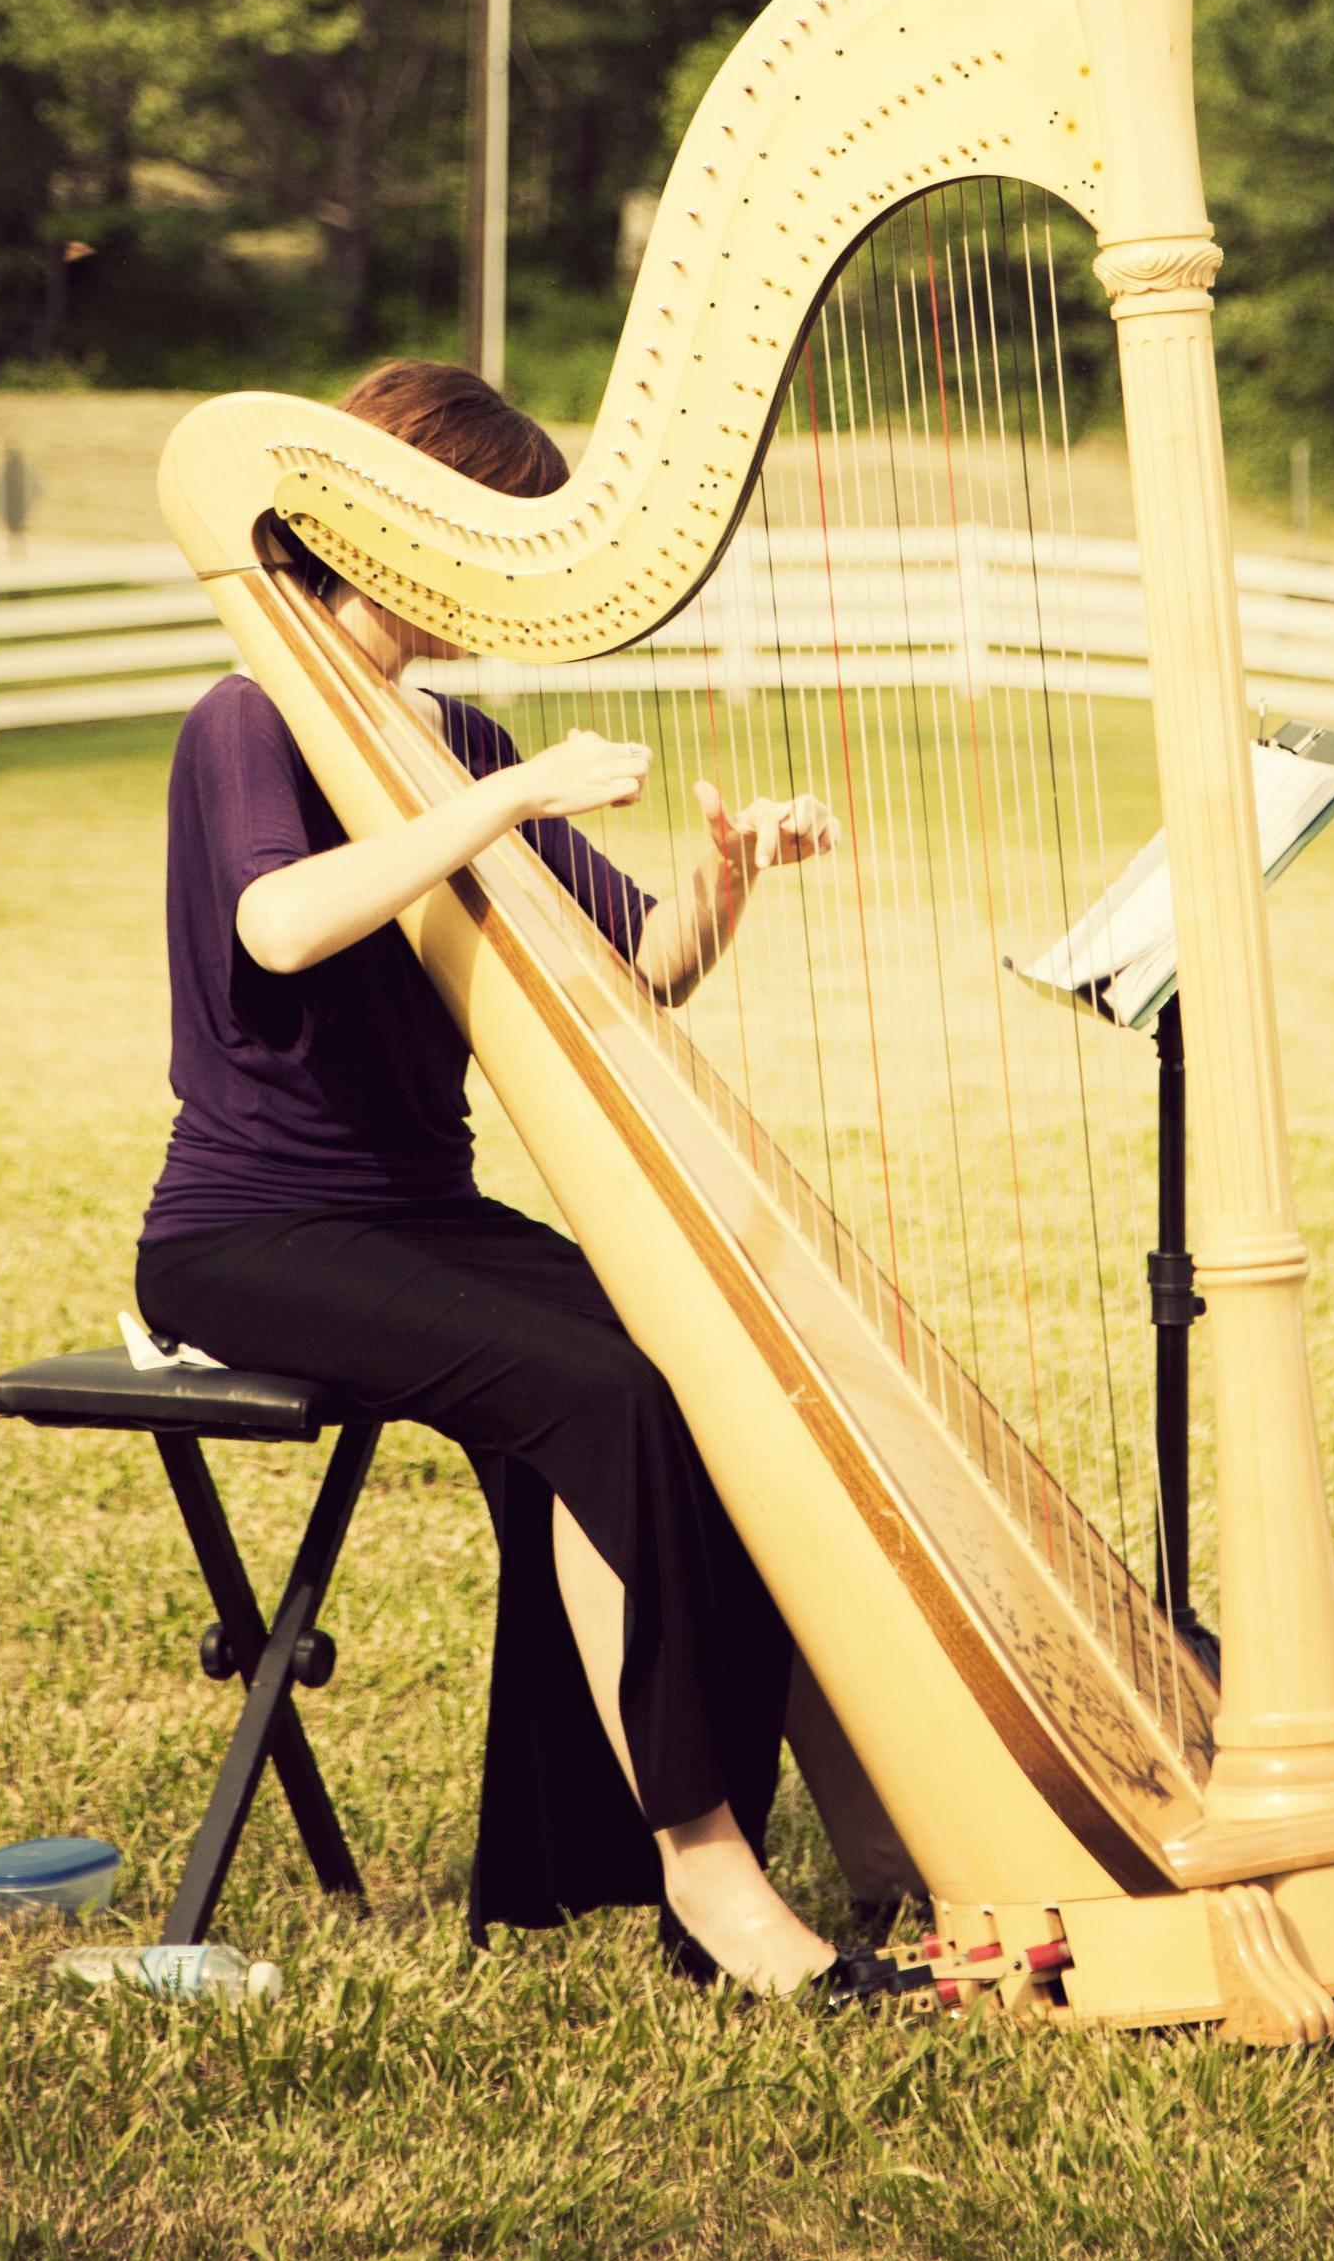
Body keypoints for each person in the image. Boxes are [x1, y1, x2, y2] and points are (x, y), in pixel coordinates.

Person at [136, 356, 848, 1994]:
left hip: (424, 1219)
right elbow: (283, 921)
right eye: (483, 531)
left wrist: (728, 878)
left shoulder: (458, 734)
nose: (495, 574)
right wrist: (508, 797)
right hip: (251, 1229)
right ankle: (709, 1872)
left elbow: (648, 965)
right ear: (386, 520)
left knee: (708, 1361)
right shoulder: (254, 712)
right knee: (602, 1389)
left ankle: (589, 1848)